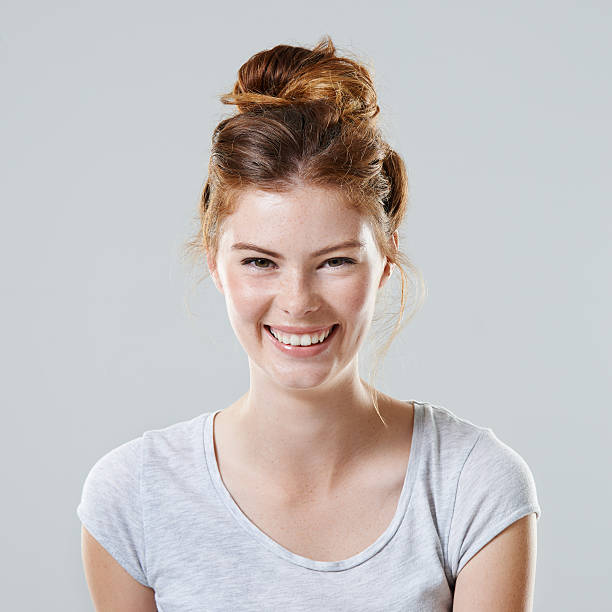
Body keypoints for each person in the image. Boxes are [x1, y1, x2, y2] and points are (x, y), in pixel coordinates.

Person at [77, 36, 541, 611]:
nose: (297, 303)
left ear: (385, 261)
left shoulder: (473, 485)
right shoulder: (133, 494)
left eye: (335, 261)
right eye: (259, 262)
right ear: (214, 263)